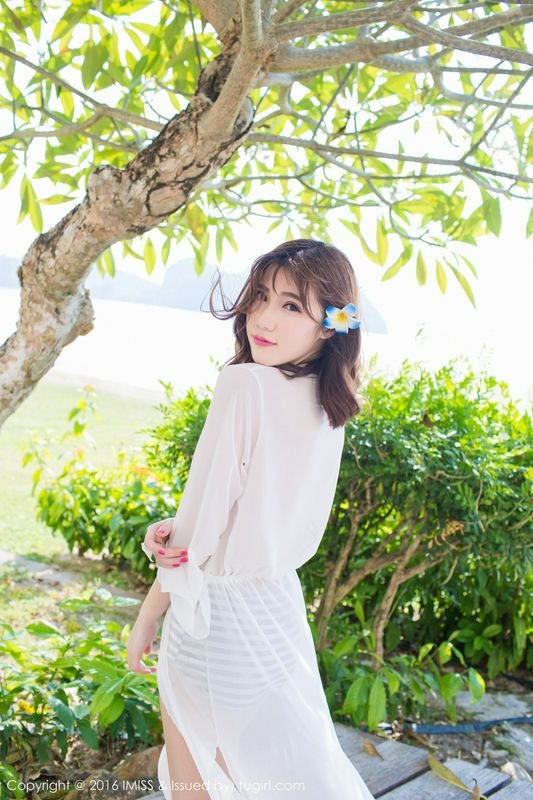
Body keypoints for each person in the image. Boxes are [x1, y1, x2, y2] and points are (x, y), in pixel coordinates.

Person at [126, 239, 375, 800]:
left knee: (197, 783)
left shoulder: (244, 385)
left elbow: (195, 539)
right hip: (277, 613)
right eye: (260, 296)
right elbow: (254, 512)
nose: (262, 318)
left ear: (330, 325)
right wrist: (181, 525)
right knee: (281, 776)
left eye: (291, 305)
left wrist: (147, 616)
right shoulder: (332, 401)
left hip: (213, 621)